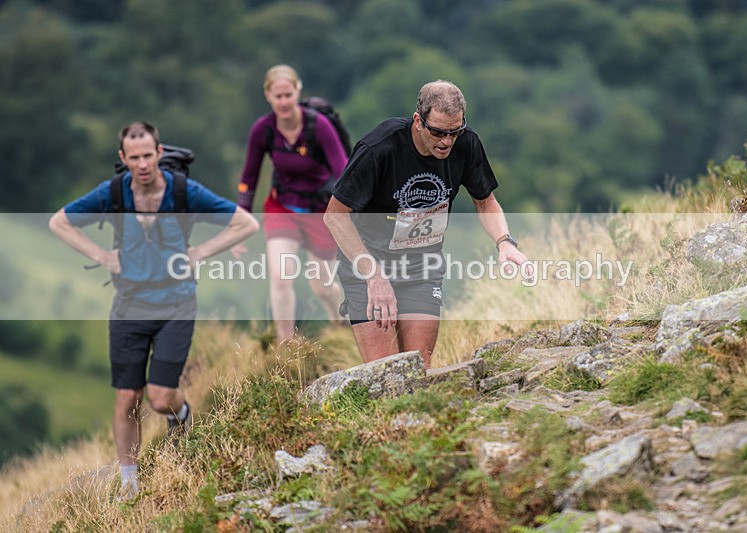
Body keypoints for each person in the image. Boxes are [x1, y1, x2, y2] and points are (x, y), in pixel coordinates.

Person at [49, 122, 259, 498]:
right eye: (135, 157)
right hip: (128, 304)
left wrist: (200, 252)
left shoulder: (183, 192)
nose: (143, 163)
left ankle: (182, 416)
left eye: (149, 155)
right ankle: (130, 483)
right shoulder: (113, 193)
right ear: (123, 159)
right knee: (127, 397)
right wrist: (101, 256)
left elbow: (246, 223)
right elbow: (59, 222)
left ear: (159, 153)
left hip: (176, 303)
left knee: (160, 398)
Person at [324, 80, 532, 368]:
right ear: (418, 121)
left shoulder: (467, 144)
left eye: (454, 131)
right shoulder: (379, 148)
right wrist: (373, 275)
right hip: (368, 263)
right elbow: (334, 215)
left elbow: (485, 201)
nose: (446, 141)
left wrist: (504, 242)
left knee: (417, 368)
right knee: (384, 374)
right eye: (438, 132)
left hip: (421, 266)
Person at [236, 64, 347, 344]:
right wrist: (240, 224)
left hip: (320, 211)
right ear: (268, 96)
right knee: (281, 277)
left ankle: (340, 323)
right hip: (282, 207)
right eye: (278, 96)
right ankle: (285, 347)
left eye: (288, 95)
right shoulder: (263, 130)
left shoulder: (317, 126)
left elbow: (344, 171)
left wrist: (352, 215)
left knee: (322, 286)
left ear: (297, 91)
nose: (284, 102)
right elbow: (248, 178)